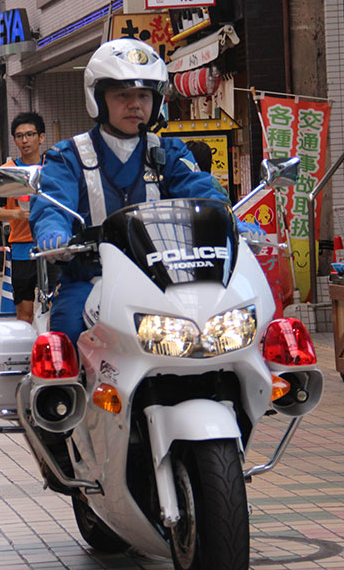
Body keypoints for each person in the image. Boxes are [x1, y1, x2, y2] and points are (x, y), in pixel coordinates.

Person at [30, 38, 235, 347]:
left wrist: (231, 220)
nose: (135, 104)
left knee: (225, 328)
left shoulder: (168, 152)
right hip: (92, 279)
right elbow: (52, 203)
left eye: (143, 95)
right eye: (122, 94)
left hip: (167, 281)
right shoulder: (68, 156)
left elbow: (202, 192)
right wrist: (53, 230)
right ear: (98, 98)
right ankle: (64, 396)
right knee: (68, 335)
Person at [0, 112, 46, 324]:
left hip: (55, 244)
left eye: (30, 134)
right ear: (14, 140)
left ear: (41, 137)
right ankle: (28, 354)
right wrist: (16, 214)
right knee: (24, 312)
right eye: (20, 136)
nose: (25, 140)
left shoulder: (55, 167)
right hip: (22, 247)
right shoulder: (7, 172)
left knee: (57, 309)